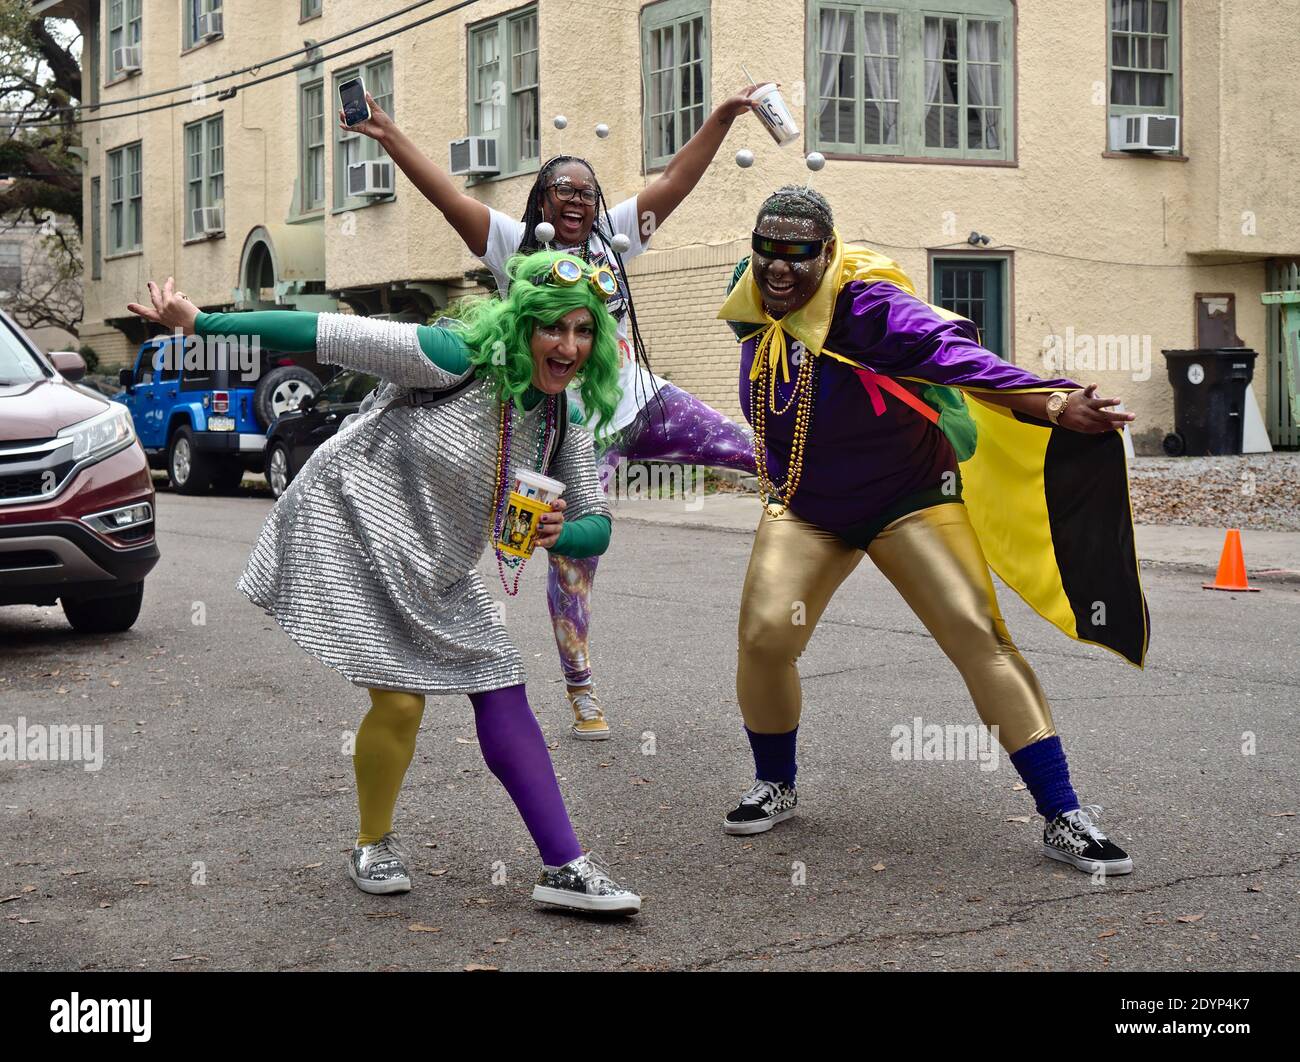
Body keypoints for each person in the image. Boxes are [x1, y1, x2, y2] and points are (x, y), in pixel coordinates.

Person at [126, 252, 642, 914]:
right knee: (401, 703)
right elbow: (323, 335)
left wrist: (560, 534)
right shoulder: (450, 358)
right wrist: (199, 322)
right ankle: (373, 843)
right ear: (521, 327)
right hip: (354, 529)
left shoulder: (557, 416)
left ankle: (563, 868)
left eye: (582, 331)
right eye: (551, 328)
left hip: (438, 566)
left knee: (498, 675)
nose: (567, 345)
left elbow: (597, 526)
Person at [716, 186, 1148, 877]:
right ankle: (776, 782)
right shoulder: (752, 296)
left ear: (828, 254)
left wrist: (1053, 400)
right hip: (805, 504)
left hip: (908, 498)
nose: (778, 269)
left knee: (977, 635)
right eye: (766, 250)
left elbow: (955, 357)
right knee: (766, 636)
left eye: (798, 255)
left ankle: (1063, 814)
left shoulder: (870, 307)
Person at [344, 89, 759, 739]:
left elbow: (677, 178)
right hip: (574, 434)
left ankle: (846, 502)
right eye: (562, 190)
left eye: (586, 192)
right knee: (572, 563)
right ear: (541, 200)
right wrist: (389, 133)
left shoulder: (617, 237)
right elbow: (447, 197)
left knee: (751, 450)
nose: (576, 199)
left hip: (640, 401)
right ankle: (581, 687)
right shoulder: (514, 246)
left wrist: (722, 117)